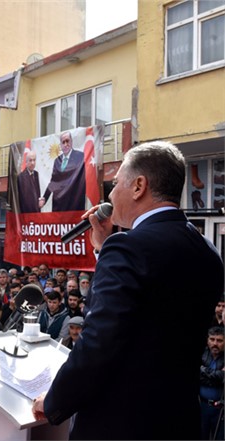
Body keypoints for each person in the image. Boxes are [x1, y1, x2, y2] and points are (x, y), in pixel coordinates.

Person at [33, 141, 224, 440]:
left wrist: (55, 401)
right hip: (179, 420)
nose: (110, 194)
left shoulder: (127, 248)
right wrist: (104, 248)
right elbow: (150, 313)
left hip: (119, 424)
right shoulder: (208, 252)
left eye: (116, 183)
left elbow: (98, 342)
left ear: (138, 186)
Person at [39, 131, 85, 212]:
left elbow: (83, 179)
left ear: (71, 141)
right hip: (59, 205)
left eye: (67, 141)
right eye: (63, 142)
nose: (65, 144)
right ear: (60, 145)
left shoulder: (80, 156)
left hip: (73, 204)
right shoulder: (57, 160)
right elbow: (53, 182)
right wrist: (44, 198)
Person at [200, 326, 224, 440]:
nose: (215, 343)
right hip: (202, 406)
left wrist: (203, 370)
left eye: (219, 340)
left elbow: (222, 378)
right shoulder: (203, 354)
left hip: (220, 410)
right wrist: (217, 375)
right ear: (207, 340)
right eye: (212, 339)